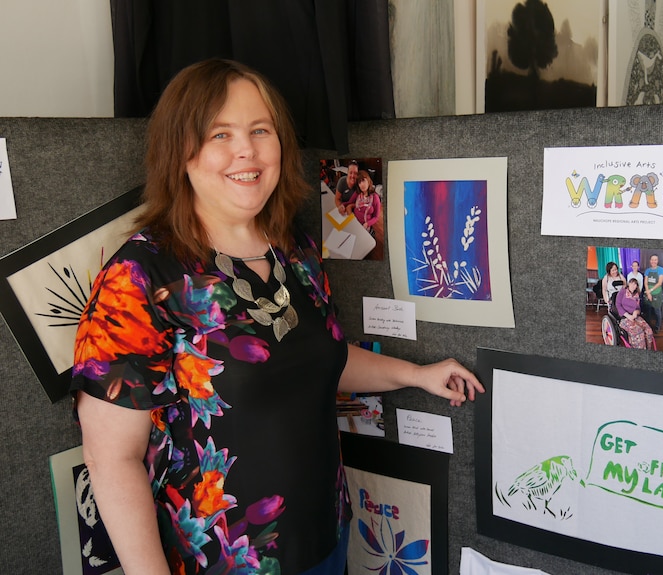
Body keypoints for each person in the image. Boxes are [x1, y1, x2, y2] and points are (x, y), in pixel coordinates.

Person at [70, 59, 483, 575]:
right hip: (218, 563)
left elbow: (317, 358)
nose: (246, 150)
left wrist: (417, 375)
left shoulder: (296, 250)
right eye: (220, 133)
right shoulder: (140, 276)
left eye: (259, 130)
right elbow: (112, 459)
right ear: (181, 151)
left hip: (326, 538)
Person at [615, 278, 655, 349]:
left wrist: (636, 312)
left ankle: (648, 349)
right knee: (638, 332)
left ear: (637, 286)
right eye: (632, 283)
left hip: (635, 316)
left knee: (649, 331)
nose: (633, 285)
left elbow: (638, 308)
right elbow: (618, 305)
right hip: (625, 317)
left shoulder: (637, 295)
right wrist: (628, 316)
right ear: (628, 284)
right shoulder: (623, 291)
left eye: (635, 284)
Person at [345, 169, 381, 235]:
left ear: (368, 181)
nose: (362, 184)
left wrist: (367, 224)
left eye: (363, 180)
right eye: (359, 182)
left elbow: (376, 217)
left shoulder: (375, 197)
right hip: (354, 222)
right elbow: (349, 203)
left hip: (365, 226)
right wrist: (340, 206)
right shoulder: (357, 193)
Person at [644, 254, 663, 333]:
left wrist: (650, 291)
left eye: (655, 259)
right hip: (648, 293)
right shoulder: (647, 270)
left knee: (657, 311)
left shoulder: (661, 270)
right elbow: (646, 283)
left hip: (657, 293)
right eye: (652, 259)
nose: (653, 261)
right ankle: (648, 326)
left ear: (657, 261)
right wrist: (648, 293)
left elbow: (660, 283)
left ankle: (658, 326)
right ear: (650, 261)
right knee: (648, 310)